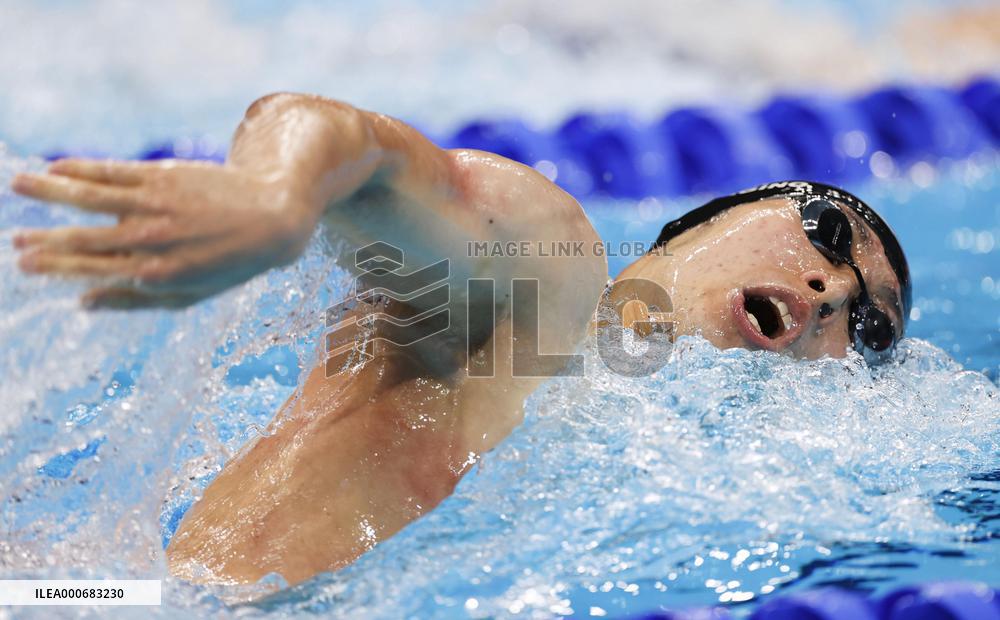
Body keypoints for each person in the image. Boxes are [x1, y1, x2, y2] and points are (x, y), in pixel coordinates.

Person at [9, 93, 909, 586]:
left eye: (870, 327)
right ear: (695, 225)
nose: (833, 290)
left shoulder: (680, 474)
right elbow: (340, 136)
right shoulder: (544, 281)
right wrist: (274, 201)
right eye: (826, 231)